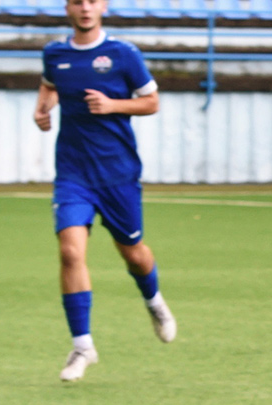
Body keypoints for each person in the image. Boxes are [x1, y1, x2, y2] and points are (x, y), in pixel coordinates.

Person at [34, 0, 176, 382]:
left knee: (134, 254)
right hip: (73, 173)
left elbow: (152, 101)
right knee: (69, 251)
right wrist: (42, 109)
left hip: (117, 174)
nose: (85, 8)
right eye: (78, 1)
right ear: (68, 7)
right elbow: (49, 85)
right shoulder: (55, 53)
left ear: (103, 6)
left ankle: (153, 299)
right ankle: (82, 346)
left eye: (92, 1)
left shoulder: (123, 54)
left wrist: (113, 104)